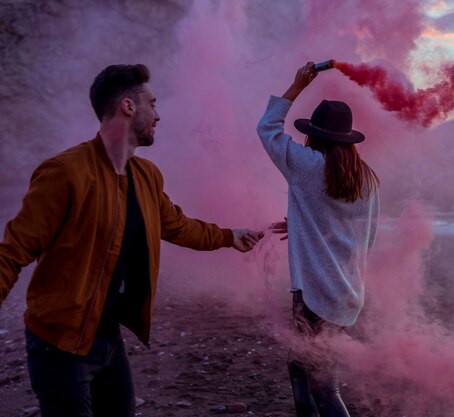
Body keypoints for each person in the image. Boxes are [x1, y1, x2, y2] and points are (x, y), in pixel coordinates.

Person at [0, 64, 264, 417]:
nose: (158, 115)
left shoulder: (147, 175)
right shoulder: (65, 172)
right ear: (127, 106)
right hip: (59, 343)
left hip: (107, 337)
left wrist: (229, 237)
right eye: (152, 104)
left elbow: (175, 225)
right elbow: (13, 250)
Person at [257, 62, 379, 417]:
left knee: (324, 386)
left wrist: (296, 85)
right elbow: (359, 236)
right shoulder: (366, 179)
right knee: (302, 369)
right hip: (346, 294)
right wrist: (299, 224)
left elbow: (267, 127)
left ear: (315, 135)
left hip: (313, 294)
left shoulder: (306, 164)